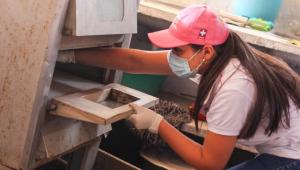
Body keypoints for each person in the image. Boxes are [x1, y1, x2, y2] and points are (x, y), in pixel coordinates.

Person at [57, 5, 300, 170]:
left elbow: (210, 163)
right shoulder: (215, 58)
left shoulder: (234, 87)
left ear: (206, 50)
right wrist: (68, 54)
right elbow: (135, 61)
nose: (171, 55)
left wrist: (157, 124)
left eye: (177, 49)